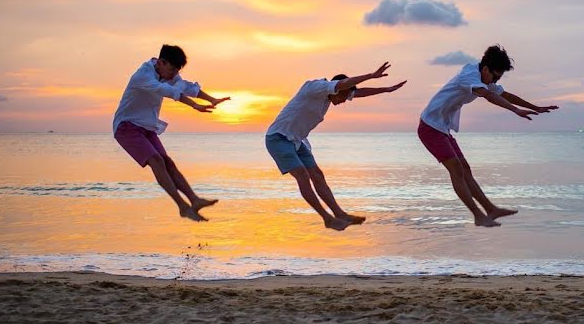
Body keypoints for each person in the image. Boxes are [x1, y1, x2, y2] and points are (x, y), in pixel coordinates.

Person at [418, 45, 559, 227]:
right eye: (495, 76)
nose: (495, 81)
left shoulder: (483, 77)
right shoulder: (469, 75)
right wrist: (516, 111)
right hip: (429, 127)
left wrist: (535, 107)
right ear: (485, 69)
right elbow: (489, 97)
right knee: (456, 169)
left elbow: (504, 94)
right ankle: (478, 215)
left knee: (465, 169)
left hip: (442, 128)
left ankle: (490, 209)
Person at [265, 62, 406, 231]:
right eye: (344, 97)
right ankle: (327, 219)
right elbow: (344, 85)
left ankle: (340, 214)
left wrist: (385, 90)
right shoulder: (315, 87)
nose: (344, 101)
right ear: (337, 90)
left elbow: (357, 92)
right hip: (278, 138)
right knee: (303, 176)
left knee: (317, 174)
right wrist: (371, 75)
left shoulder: (329, 96)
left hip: (297, 140)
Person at [113, 45, 230, 222]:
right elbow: (167, 91)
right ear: (161, 62)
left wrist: (211, 99)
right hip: (126, 127)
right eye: (172, 69)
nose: (174, 74)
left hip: (146, 127)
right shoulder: (142, 76)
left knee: (168, 163)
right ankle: (182, 207)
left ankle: (194, 200)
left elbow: (186, 87)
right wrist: (194, 105)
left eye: (177, 70)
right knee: (156, 161)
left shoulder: (168, 73)